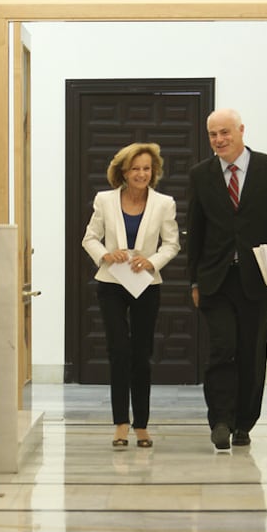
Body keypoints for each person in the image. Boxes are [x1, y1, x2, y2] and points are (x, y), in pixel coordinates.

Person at [187, 108, 267, 451]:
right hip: (215, 280)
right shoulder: (200, 175)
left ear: (241, 131)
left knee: (252, 351)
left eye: (225, 132)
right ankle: (220, 419)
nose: (219, 140)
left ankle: (244, 422)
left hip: (258, 279)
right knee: (222, 349)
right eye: (213, 135)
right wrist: (193, 281)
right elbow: (196, 232)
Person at [82, 142, 180, 449]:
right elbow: (90, 238)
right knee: (118, 351)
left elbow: (172, 244)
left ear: (154, 171)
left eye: (147, 168)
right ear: (124, 171)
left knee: (141, 354)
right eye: (135, 168)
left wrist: (152, 261)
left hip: (146, 285)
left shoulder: (164, 203)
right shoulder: (105, 200)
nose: (142, 174)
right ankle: (120, 424)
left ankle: (142, 425)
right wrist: (106, 254)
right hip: (111, 284)